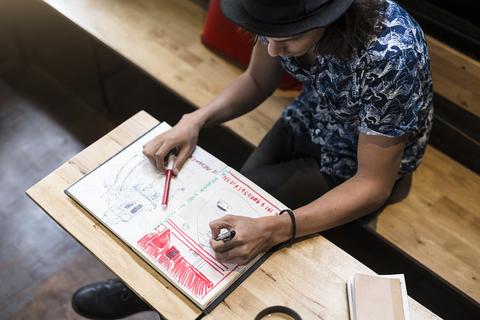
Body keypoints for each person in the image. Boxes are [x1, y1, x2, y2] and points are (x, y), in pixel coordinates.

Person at [71, 0, 433, 318]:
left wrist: (278, 227)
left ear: (330, 14)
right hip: (309, 118)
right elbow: (259, 80)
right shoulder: (277, 14)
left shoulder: (390, 55)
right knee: (226, 221)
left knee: (236, 237)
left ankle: (153, 297)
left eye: (287, 39)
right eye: (266, 37)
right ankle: (152, 290)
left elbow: (372, 185)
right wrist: (194, 121)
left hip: (357, 165)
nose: (273, 51)